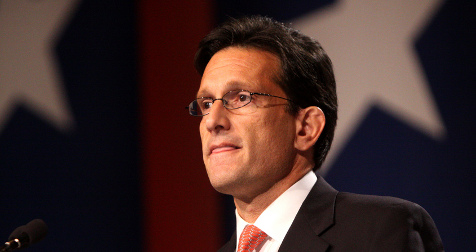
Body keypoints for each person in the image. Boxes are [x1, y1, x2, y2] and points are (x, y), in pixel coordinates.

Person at [188, 16, 444, 252]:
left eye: (242, 97)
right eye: (207, 104)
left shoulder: (380, 232)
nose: (213, 121)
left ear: (306, 127)